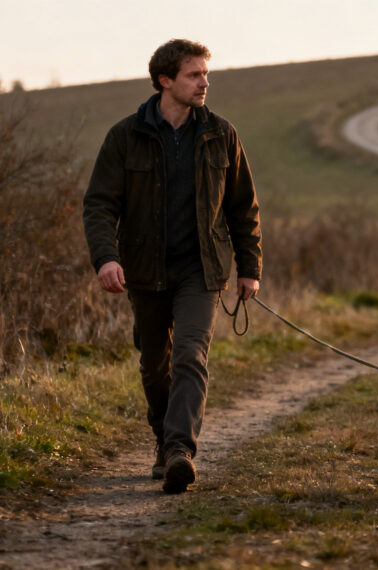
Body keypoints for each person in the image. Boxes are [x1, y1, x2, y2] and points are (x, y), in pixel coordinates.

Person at [82, 39, 262, 493]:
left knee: (190, 355)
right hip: (144, 269)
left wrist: (249, 267)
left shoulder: (223, 133)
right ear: (165, 80)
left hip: (202, 270)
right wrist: (106, 258)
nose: (205, 83)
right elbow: (100, 204)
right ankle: (164, 440)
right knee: (154, 365)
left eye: (206, 74)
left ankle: (181, 449)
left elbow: (243, 207)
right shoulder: (126, 136)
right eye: (194, 75)